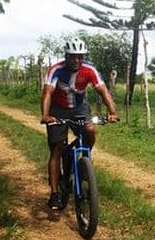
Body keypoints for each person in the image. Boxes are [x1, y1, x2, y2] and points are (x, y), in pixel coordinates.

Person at [40, 39, 119, 210]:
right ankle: (54, 194)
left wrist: (112, 112)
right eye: (73, 57)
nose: (76, 61)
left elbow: (103, 90)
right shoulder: (56, 70)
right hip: (57, 109)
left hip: (79, 108)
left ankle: (78, 159)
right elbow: (47, 93)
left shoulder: (89, 70)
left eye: (80, 57)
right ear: (66, 56)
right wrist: (46, 115)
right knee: (56, 148)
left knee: (90, 129)